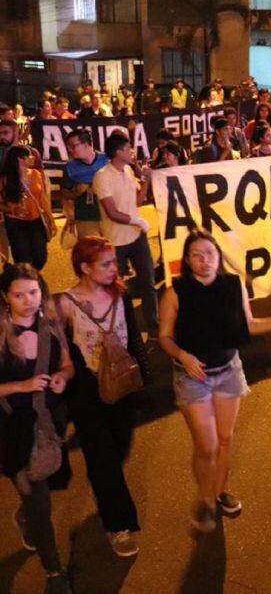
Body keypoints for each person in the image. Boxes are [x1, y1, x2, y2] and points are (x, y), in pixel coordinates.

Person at [159, 229, 271, 532]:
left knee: (225, 440)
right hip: (194, 378)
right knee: (208, 446)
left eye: (210, 254)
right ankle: (204, 500)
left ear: (219, 257)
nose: (205, 261)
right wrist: (182, 356)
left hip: (228, 370)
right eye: (197, 255)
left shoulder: (233, 285)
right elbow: (163, 336)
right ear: (187, 261)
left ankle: (219, 492)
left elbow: (250, 324)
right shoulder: (176, 292)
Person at [55, 237, 147, 557]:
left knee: (119, 450)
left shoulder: (120, 294)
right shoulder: (65, 304)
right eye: (106, 264)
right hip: (87, 395)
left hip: (122, 388)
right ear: (85, 268)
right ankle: (119, 526)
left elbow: (133, 338)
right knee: (104, 459)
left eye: (114, 263)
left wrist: (143, 378)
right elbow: (59, 352)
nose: (114, 269)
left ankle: (106, 491)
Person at [0, 264, 74, 594]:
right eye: (19, 294)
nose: (28, 300)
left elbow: (67, 365)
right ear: (5, 298)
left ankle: (25, 514)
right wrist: (22, 386)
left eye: (33, 292)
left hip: (46, 424)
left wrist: (62, 378)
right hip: (10, 428)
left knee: (42, 493)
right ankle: (54, 570)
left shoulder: (51, 326)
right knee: (39, 505)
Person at [93, 131, 158, 330]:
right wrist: (136, 220)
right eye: (128, 148)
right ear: (118, 152)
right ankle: (121, 328)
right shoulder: (102, 177)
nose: (131, 152)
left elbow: (138, 200)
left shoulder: (129, 171)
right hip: (116, 242)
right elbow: (112, 213)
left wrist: (146, 180)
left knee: (148, 282)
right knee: (116, 288)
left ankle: (153, 324)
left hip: (137, 237)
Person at [0, 145, 55, 270]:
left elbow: (43, 198)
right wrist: (12, 209)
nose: (33, 158)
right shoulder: (5, 179)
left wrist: (50, 218)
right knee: (22, 256)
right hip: (15, 221)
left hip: (36, 219)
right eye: (30, 155)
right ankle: (26, 281)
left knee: (41, 256)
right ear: (20, 159)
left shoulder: (36, 174)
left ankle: (31, 276)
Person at [60, 129, 109, 239]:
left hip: (110, 215)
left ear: (86, 144)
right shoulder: (70, 167)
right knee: (91, 253)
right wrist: (77, 192)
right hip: (86, 217)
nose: (70, 150)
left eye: (73, 146)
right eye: (68, 146)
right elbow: (64, 193)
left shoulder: (107, 160)